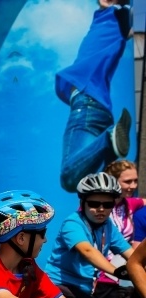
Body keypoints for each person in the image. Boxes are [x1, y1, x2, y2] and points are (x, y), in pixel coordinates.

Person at [44, 172, 133, 298]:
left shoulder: (107, 226)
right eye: (94, 203)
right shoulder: (73, 223)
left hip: (82, 290)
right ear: (82, 202)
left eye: (107, 205)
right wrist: (117, 272)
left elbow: (131, 254)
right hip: (59, 286)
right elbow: (87, 251)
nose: (101, 209)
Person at [56, 0, 133, 192]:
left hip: (88, 104)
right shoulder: (108, 20)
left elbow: (126, 17)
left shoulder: (116, 13)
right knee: (89, 187)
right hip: (101, 109)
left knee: (69, 178)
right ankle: (109, 142)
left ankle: (109, 139)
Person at [94, 159, 144, 298]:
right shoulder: (95, 207)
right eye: (127, 181)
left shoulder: (129, 203)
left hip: (122, 274)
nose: (133, 186)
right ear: (113, 182)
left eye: (135, 181)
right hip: (98, 275)